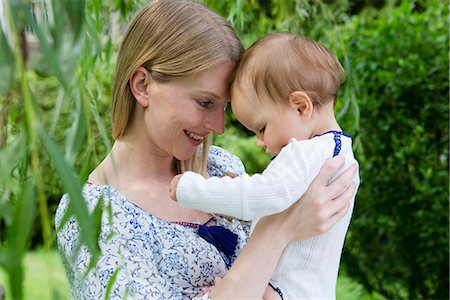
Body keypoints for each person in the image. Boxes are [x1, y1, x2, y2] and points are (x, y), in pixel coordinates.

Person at [55, 1, 358, 299]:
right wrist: (280, 230)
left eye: (223, 107)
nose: (219, 126)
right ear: (143, 86)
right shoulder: (90, 215)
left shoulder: (220, 166)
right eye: (204, 102)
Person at [170, 32, 360, 299]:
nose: (260, 142)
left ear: (300, 107)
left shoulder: (307, 153)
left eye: (262, 128)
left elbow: (261, 196)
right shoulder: (341, 155)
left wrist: (191, 189)